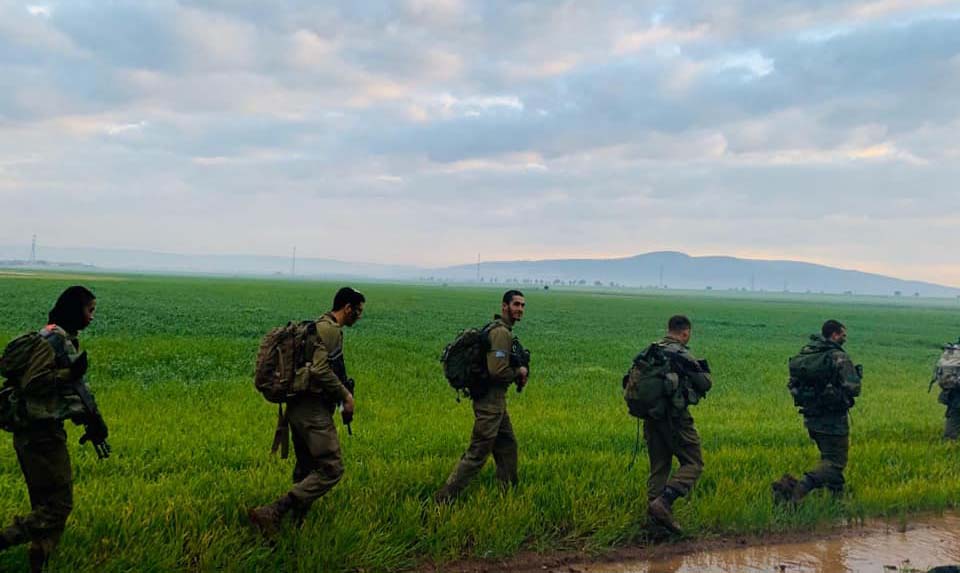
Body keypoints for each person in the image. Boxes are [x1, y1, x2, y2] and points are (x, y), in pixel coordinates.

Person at [248, 287, 364, 537]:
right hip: (313, 410)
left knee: (306, 467)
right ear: (347, 308)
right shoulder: (331, 331)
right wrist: (346, 396)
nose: (360, 316)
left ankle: (294, 525)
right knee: (332, 468)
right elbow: (321, 370)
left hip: (296, 407)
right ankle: (274, 511)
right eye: (358, 311)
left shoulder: (315, 325)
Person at [0, 286, 101, 571]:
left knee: (45, 504)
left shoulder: (57, 336)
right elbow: (34, 383)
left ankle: (40, 556)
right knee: (58, 506)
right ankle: (6, 539)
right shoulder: (53, 340)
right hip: (41, 433)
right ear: (75, 310)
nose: (92, 317)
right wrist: (70, 374)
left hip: (34, 431)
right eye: (89, 310)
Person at [435, 290, 529, 502]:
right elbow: (497, 370)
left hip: (495, 402)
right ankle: (443, 498)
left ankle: (509, 494)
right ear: (504, 306)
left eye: (523, 305)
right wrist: (519, 372)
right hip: (489, 403)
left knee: (507, 446)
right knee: (477, 453)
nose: (520, 309)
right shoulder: (501, 333)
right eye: (516, 304)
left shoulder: (497, 329)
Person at [773, 320, 862, 503]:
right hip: (833, 419)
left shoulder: (808, 352)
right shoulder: (838, 356)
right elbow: (854, 388)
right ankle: (796, 489)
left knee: (828, 459)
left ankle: (837, 502)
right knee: (835, 463)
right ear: (834, 335)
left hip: (811, 417)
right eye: (843, 335)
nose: (845, 338)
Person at [643, 315, 713, 533]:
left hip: (651, 418)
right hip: (675, 420)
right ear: (685, 332)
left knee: (659, 467)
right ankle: (664, 502)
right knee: (694, 463)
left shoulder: (651, 350)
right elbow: (705, 384)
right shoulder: (681, 354)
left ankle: (655, 526)